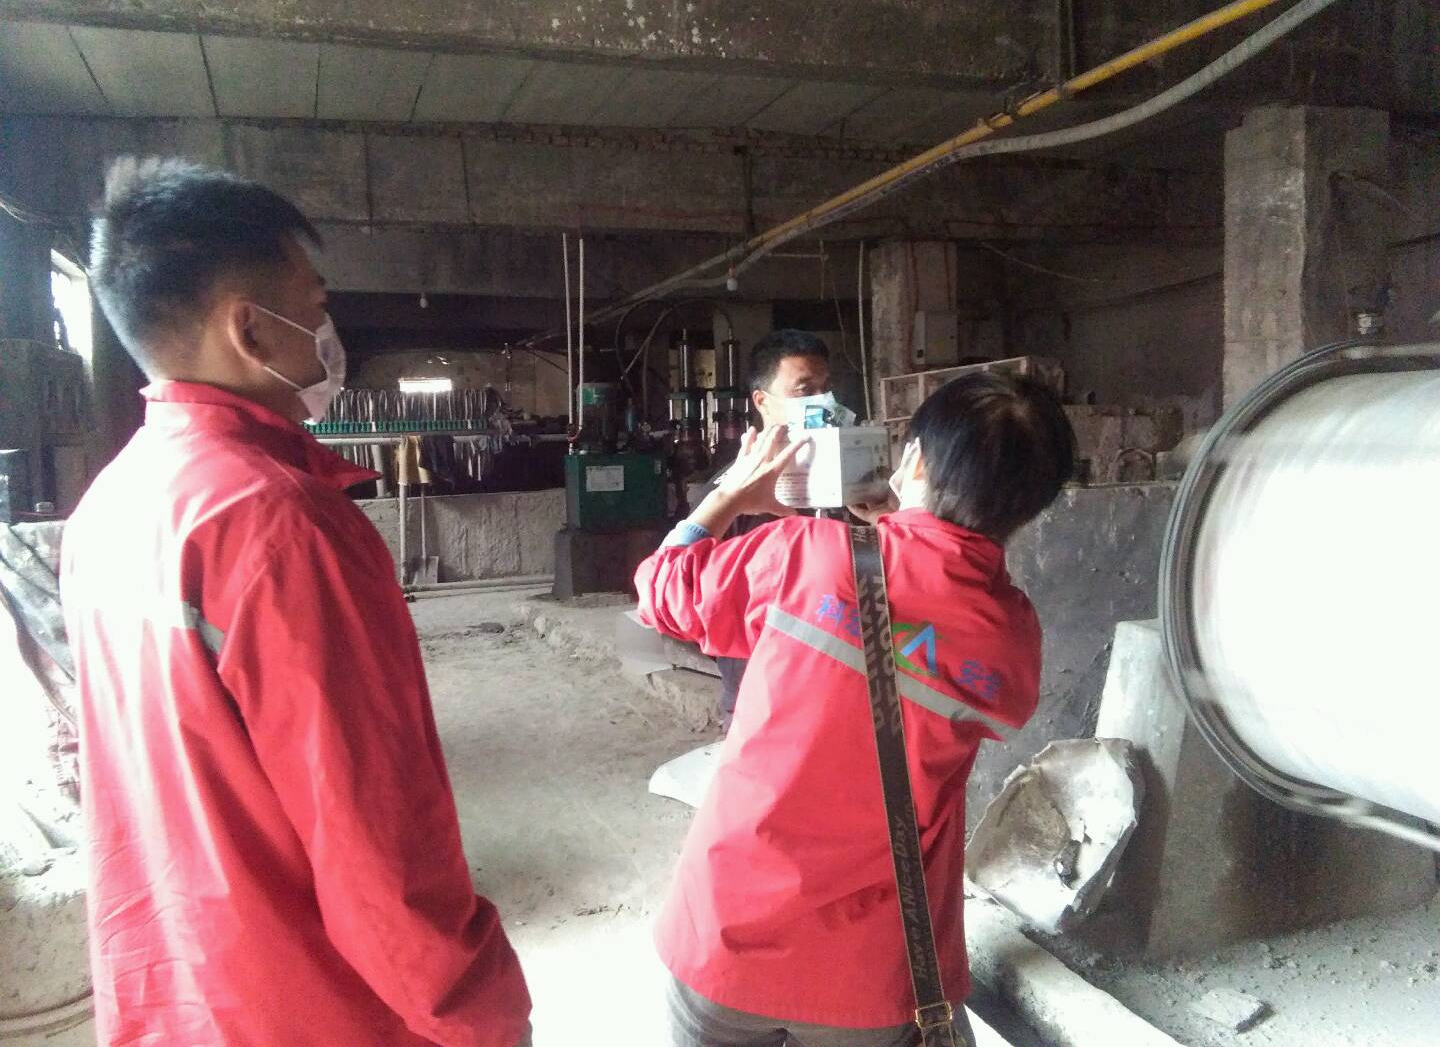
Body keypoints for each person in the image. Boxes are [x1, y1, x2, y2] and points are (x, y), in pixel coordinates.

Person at [61, 158, 531, 1047]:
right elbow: (375, 844)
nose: (324, 330)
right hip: (309, 1009)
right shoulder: (280, 526)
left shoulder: (108, 506)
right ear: (250, 329)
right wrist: (481, 1015)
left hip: (177, 996)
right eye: (314, 306)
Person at [635, 372, 1075, 1047]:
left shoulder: (805, 555)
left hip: (724, 941)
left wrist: (730, 495)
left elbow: (662, 592)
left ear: (914, 461)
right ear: (1031, 507)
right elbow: (980, 686)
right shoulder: (1009, 636)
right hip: (873, 975)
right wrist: (906, 536)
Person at [711, 329, 839, 732]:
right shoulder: (724, 494)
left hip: (837, 683)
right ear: (762, 401)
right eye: (805, 391)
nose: (823, 402)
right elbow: (707, 599)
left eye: (826, 389)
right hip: (760, 693)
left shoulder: (846, 485)